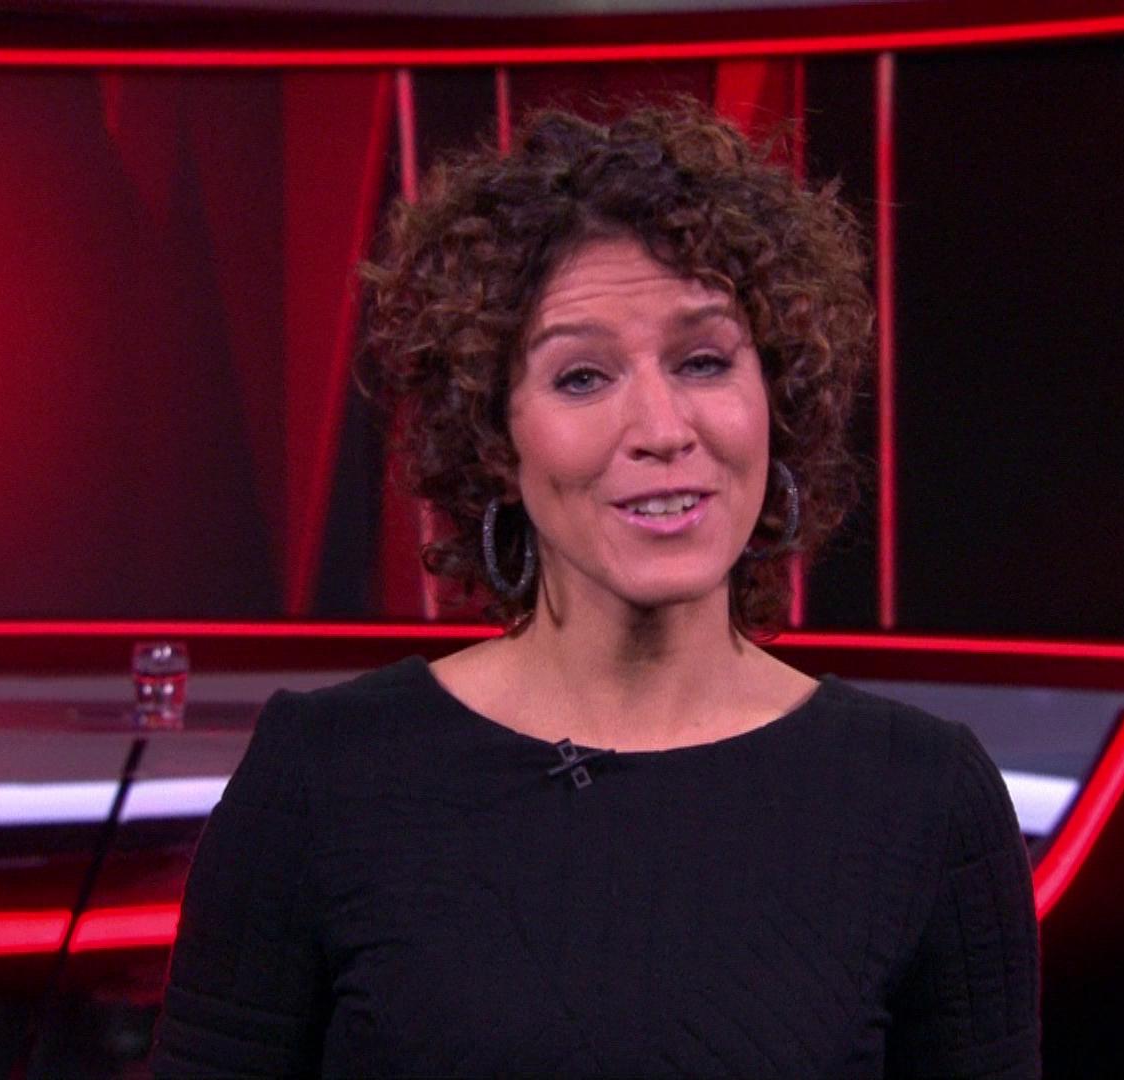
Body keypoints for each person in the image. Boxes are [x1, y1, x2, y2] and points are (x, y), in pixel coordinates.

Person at [152, 101, 1039, 1078]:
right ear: (495, 436)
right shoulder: (325, 777)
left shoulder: (923, 798)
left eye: (704, 361)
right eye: (582, 377)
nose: (660, 428)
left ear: (776, 401)